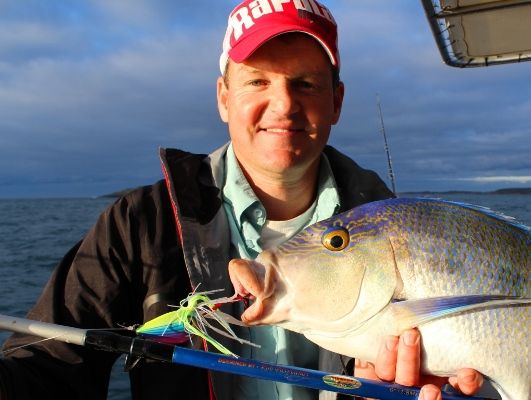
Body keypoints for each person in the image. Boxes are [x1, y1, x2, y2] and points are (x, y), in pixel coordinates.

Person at [0, 1, 483, 399]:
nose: (285, 104)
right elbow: (43, 363)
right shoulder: (138, 223)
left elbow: (469, 363)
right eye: (257, 81)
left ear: (336, 101)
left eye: (306, 84)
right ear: (223, 98)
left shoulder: (402, 233)